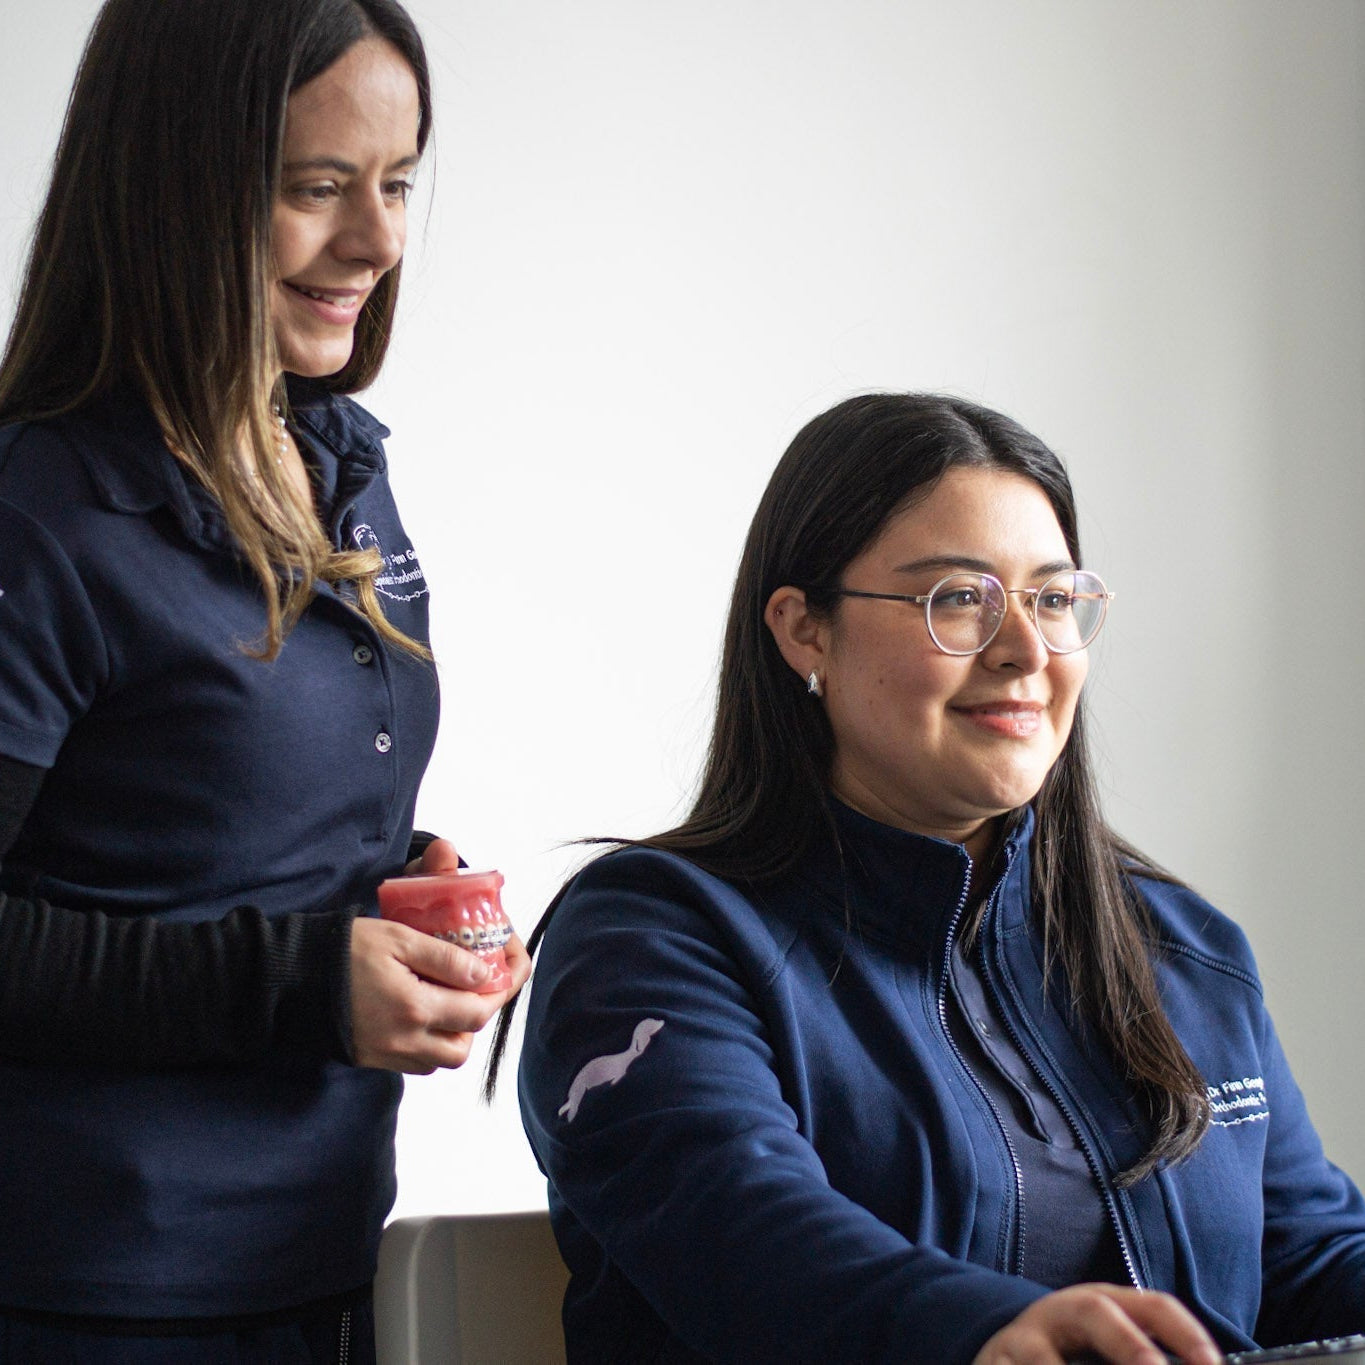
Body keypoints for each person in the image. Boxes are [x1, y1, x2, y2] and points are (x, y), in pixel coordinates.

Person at [508, 393, 1365, 1364]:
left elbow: (1305, 1260)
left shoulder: (1183, 948)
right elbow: (748, 1241)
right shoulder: (653, 936)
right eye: (959, 598)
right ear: (804, 631)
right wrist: (984, 1334)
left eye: (1051, 600)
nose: (1026, 651)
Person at [0, 1, 528, 1359]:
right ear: (176, 184)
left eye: (398, 182)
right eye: (317, 188)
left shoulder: (341, 461)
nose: (379, 240)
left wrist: (399, 876)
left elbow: (186, 813)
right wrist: (302, 980)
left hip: (323, 1265)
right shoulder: (43, 512)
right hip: (91, 1294)